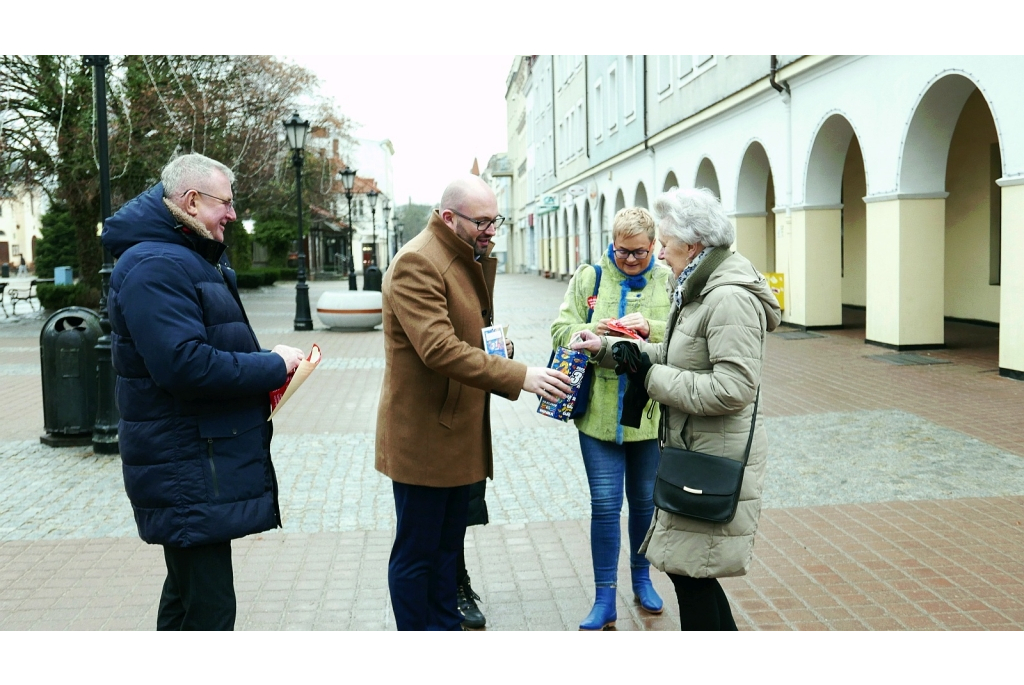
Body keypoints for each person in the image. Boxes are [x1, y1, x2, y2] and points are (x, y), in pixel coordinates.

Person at [101, 153, 305, 631]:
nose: (232, 214)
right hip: (186, 462)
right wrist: (271, 366)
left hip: (193, 458)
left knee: (187, 597)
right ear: (191, 202)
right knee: (209, 611)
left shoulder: (179, 257)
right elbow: (185, 365)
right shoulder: (156, 264)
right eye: (225, 203)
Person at [573, 187, 780, 630]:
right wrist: (612, 349)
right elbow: (675, 353)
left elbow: (733, 387)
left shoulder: (728, 297)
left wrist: (651, 379)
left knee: (693, 577)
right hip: (696, 452)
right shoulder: (701, 288)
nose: (660, 255)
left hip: (711, 458)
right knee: (692, 576)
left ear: (694, 244)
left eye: (665, 244)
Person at [376, 175, 571, 631]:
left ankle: (444, 630)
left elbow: (472, 330)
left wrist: (499, 353)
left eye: (495, 220)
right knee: (418, 553)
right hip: (425, 437)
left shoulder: (464, 255)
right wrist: (521, 377)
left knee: (447, 551)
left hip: (456, 429)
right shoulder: (418, 263)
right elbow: (438, 348)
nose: (491, 230)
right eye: (482, 221)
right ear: (449, 217)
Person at [551, 207, 673, 630]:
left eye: (639, 252)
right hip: (599, 418)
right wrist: (588, 335)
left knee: (643, 503)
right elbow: (560, 329)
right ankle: (604, 597)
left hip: (648, 414)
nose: (631, 260)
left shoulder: (667, 279)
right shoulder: (591, 277)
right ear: (612, 244)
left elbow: (686, 334)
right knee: (604, 506)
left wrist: (650, 329)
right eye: (622, 252)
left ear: (654, 245)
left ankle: (642, 580)